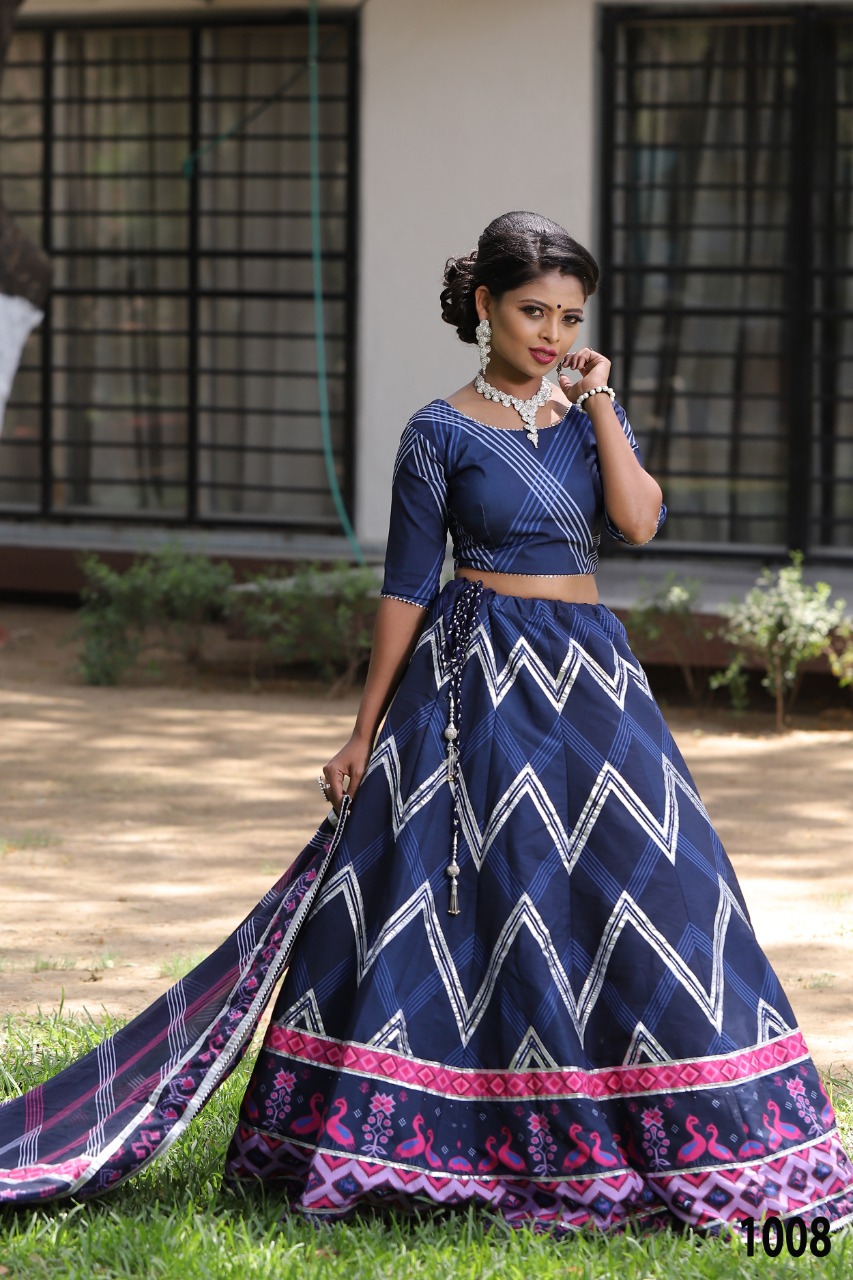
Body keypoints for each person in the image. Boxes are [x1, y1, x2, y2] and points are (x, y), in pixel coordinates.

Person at [2, 212, 851, 1237]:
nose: (551, 333)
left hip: (591, 678)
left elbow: (636, 521)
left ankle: (694, 1124)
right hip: (474, 678)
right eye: (532, 311)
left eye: (569, 316)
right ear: (484, 305)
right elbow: (406, 586)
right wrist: (362, 731)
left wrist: (600, 398)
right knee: (480, 896)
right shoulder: (436, 432)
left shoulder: (588, 413)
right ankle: (445, 1136)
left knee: (662, 886)